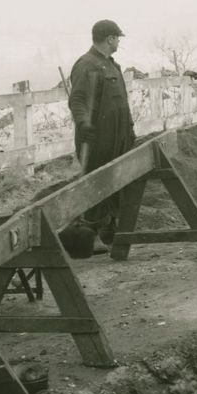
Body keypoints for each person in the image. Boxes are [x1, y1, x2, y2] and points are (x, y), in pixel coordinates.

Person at [68, 19, 136, 244]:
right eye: (118, 37)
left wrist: (130, 129)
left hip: (119, 139)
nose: (118, 41)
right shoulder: (86, 65)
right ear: (110, 39)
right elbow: (77, 99)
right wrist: (83, 123)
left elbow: (121, 102)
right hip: (97, 140)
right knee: (96, 185)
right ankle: (89, 236)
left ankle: (110, 230)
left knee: (116, 184)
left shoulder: (112, 65)